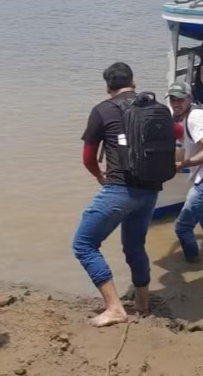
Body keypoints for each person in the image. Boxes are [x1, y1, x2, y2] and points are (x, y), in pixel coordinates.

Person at [73, 63, 181, 327]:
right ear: (133, 83)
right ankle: (142, 303)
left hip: (119, 189)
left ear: (107, 87)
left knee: (83, 244)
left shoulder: (102, 110)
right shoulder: (157, 108)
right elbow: (177, 132)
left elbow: (88, 158)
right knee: (134, 246)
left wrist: (100, 176)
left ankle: (114, 308)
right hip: (150, 191)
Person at [167, 81, 203, 263]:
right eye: (172, 99)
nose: (176, 103)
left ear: (190, 98)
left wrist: (183, 164)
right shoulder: (193, 112)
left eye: (180, 99)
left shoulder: (194, 119)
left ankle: (193, 263)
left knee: (182, 227)